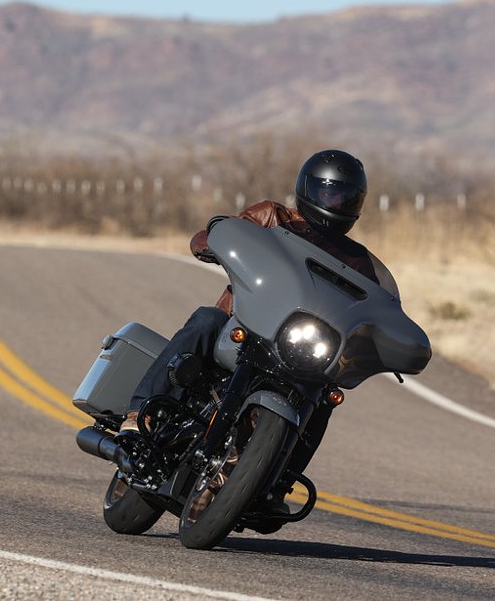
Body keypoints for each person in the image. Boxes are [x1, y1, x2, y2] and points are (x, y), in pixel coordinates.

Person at [120, 149, 394, 512]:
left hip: (301, 349)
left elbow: (382, 308)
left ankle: (279, 482)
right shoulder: (272, 217)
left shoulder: (361, 263)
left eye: (344, 195)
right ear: (307, 189)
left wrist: (388, 337)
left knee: (326, 396)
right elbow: (223, 233)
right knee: (205, 320)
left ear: (357, 202)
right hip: (245, 323)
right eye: (328, 192)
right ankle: (139, 417)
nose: (335, 202)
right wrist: (211, 243)